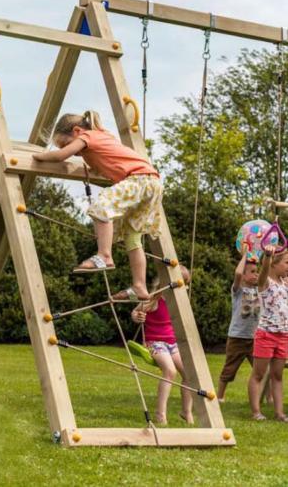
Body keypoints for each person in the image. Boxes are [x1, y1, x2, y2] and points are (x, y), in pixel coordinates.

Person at [33, 110, 163, 301]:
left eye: (66, 143)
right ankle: (139, 286)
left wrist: (38, 157)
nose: (73, 151)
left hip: (140, 179)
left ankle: (104, 255)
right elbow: (108, 160)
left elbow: (61, 156)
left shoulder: (87, 136)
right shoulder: (102, 138)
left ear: (77, 131)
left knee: (101, 207)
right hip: (153, 184)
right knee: (132, 237)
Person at [131, 269, 194, 425]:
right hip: (155, 343)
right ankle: (161, 414)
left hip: (172, 344)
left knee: (190, 374)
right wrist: (137, 316)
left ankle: (186, 412)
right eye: (180, 284)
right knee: (170, 371)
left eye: (185, 285)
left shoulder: (179, 303)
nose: (183, 288)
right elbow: (135, 312)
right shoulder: (154, 300)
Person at [248, 245, 288, 422]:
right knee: (258, 374)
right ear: (274, 264)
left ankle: (279, 413)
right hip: (266, 335)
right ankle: (256, 412)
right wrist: (267, 256)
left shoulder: (285, 284)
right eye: (287, 263)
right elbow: (264, 270)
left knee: (277, 375)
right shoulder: (265, 283)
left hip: (283, 335)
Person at [217, 244, 262, 402]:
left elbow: (266, 276)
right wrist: (245, 254)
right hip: (237, 338)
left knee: (260, 371)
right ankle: (220, 397)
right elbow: (237, 273)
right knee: (229, 370)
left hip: (254, 339)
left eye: (257, 272)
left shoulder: (260, 290)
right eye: (252, 272)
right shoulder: (238, 291)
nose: (256, 275)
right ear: (243, 276)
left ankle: (267, 398)